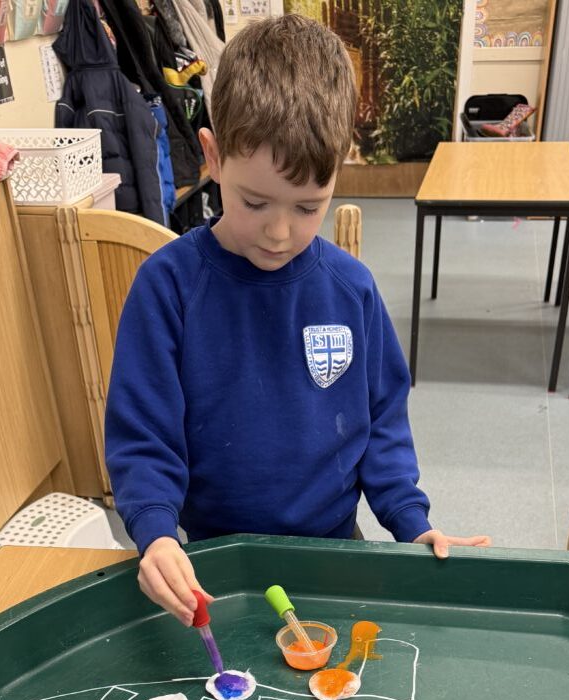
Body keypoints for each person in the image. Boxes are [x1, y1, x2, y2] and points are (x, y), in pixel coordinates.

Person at [105, 14, 489, 627]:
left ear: (338, 173)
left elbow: (382, 423)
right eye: (254, 202)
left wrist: (412, 524)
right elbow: (143, 435)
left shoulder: (351, 290)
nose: (280, 232)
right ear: (212, 156)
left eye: (309, 207)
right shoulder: (167, 287)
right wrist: (155, 534)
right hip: (214, 564)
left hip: (333, 552)